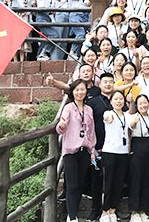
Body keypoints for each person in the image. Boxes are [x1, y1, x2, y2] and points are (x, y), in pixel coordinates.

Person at [57, 79, 97, 222]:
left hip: (84, 150)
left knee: (80, 184)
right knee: (72, 185)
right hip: (71, 151)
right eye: (77, 90)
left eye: (82, 89)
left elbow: (91, 131)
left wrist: (92, 150)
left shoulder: (89, 109)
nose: (80, 92)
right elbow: (61, 127)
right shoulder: (68, 108)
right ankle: (72, 216)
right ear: (73, 92)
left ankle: (74, 213)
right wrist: (61, 125)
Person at [129, 94, 149, 222]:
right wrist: (134, 122)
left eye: (145, 103)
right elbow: (130, 128)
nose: (143, 105)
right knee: (136, 179)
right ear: (137, 105)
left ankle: (144, 209)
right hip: (137, 147)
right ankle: (134, 210)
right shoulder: (134, 117)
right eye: (140, 103)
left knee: (148, 179)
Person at [101, 91, 131, 222]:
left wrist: (131, 102)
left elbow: (132, 123)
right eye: (116, 99)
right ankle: (104, 210)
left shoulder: (127, 116)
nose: (119, 101)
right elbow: (107, 117)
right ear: (111, 101)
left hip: (123, 152)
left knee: (119, 182)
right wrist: (109, 118)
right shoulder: (108, 113)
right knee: (108, 182)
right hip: (110, 152)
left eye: (121, 99)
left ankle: (113, 209)